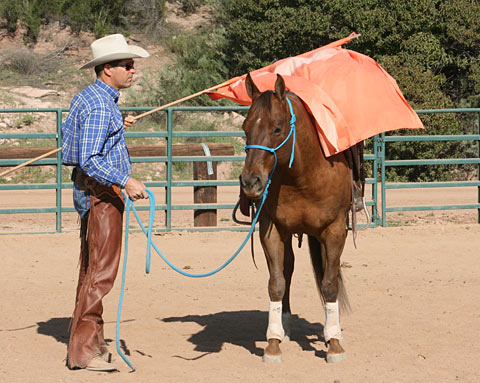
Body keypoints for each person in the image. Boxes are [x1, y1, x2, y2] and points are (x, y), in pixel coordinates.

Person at [62, 34, 150, 372]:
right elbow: (89, 157)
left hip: (90, 193)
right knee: (101, 272)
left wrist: (116, 123)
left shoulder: (92, 100)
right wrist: (126, 181)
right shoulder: (101, 106)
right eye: (126, 65)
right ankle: (83, 351)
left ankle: (91, 343)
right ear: (106, 69)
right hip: (102, 195)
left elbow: (71, 145)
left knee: (91, 268)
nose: (132, 71)